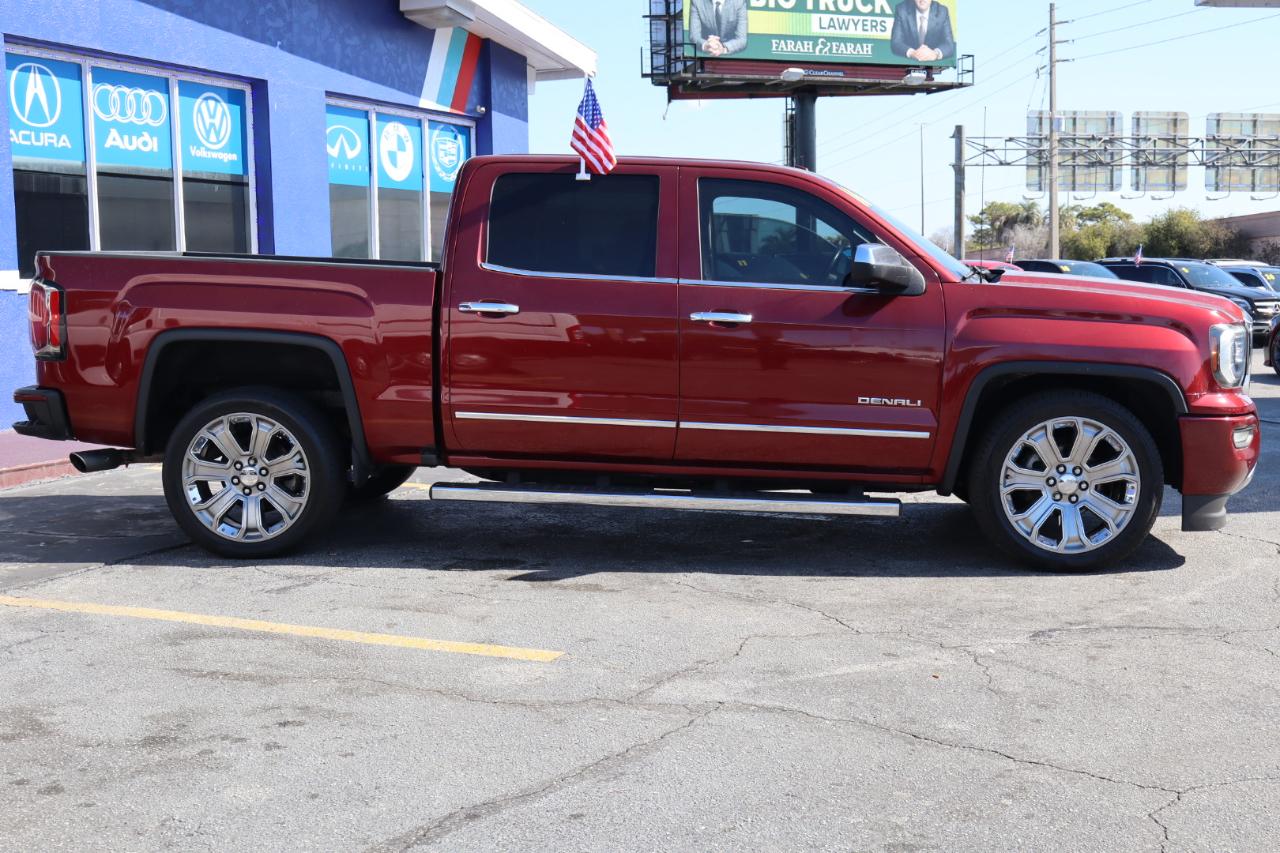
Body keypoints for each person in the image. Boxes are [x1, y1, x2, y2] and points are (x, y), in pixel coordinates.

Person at [891, 0, 955, 63]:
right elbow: (896, 42)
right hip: (910, 62)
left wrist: (935, 54)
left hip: (931, 62)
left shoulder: (942, 11)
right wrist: (912, 53)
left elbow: (949, 45)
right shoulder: (902, 9)